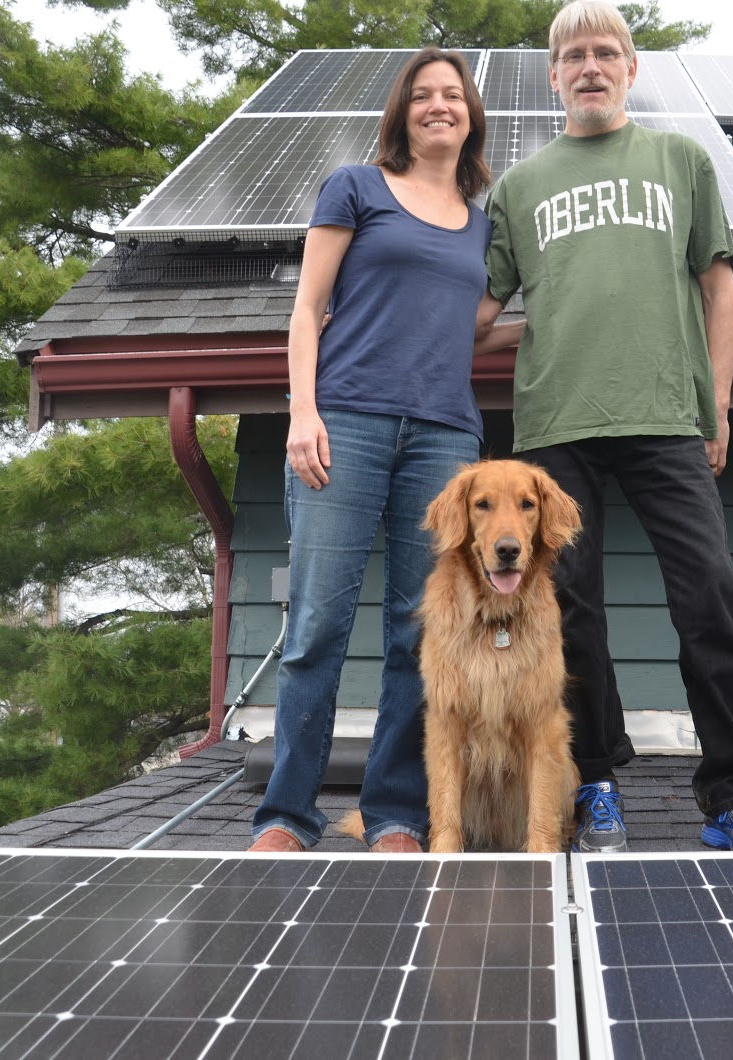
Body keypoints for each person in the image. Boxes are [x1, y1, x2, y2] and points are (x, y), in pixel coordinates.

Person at [475, 0, 733, 853]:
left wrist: (716, 403)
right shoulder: (519, 187)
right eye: (573, 54)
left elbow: (720, 290)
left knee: (711, 598)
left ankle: (732, 794)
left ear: (630, 68)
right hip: (555, 425)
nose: (589, 65)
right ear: (552, 75)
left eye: (605, 51)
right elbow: (480, 314)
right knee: (570, 613)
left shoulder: (681, 161)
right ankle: (598, 788)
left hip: (664, 416)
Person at [251, 48, 508, 854]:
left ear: (471, 115)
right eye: (424, 95)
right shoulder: (355, 186)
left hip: (445, 437)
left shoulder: (483, 224)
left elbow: (469, 326)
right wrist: (304, 410)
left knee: (417, 632)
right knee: (318, 623)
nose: (440, 105)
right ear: (403, 113)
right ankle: (287, 815)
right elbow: (307, 308)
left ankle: (396, 813)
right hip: (348, 423)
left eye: (454, 95)